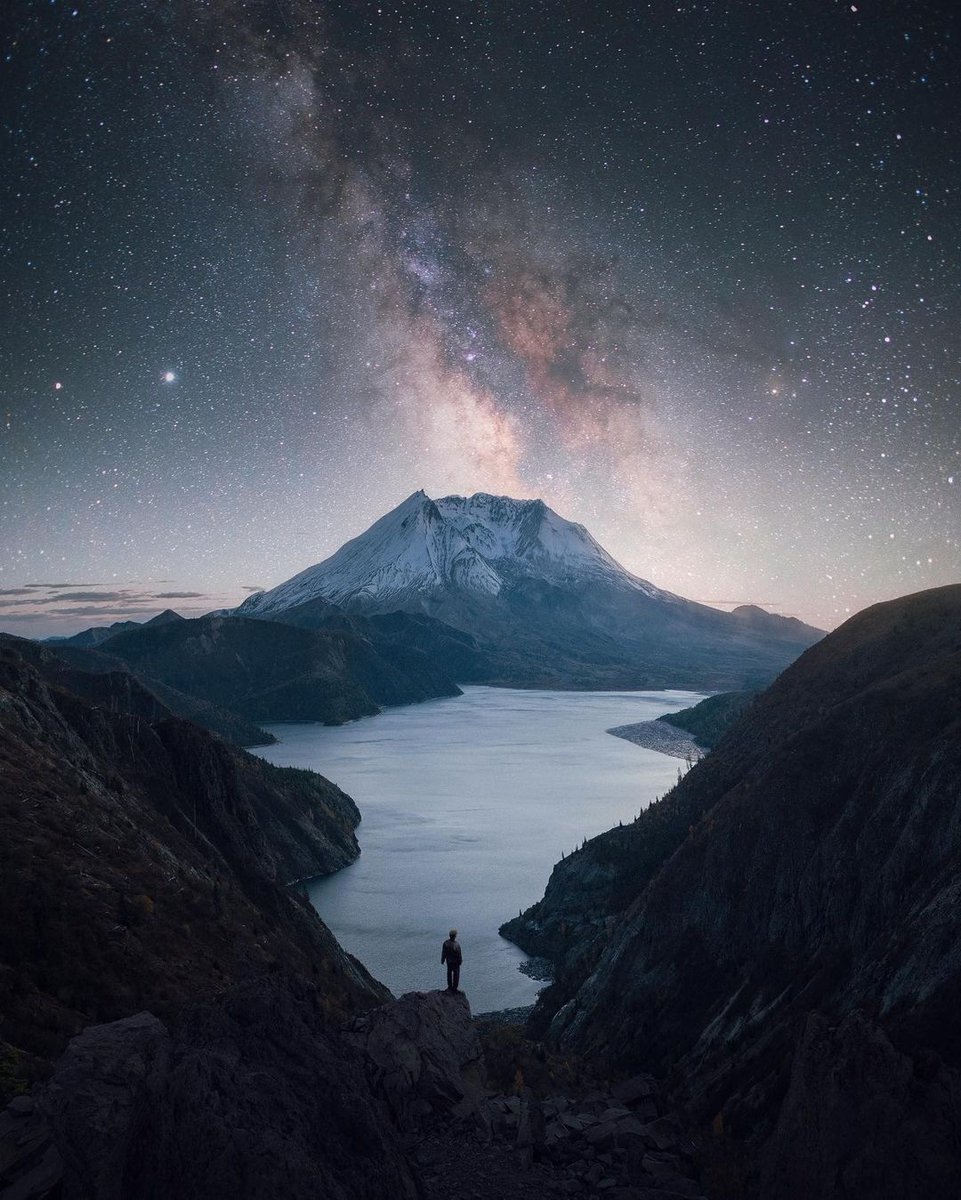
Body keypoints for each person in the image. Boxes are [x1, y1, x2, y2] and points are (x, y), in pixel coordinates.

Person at [441, 928, 462, 993]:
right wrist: (460, 961)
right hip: (455, 963)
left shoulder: (445, 943)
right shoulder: (456, 945)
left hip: (449, 962)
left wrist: (442, 959)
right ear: (455, 936)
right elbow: (459, 954)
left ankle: (450, 987)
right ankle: (454, 988)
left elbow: (443, 952)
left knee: (449, 973)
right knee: (456, 975)